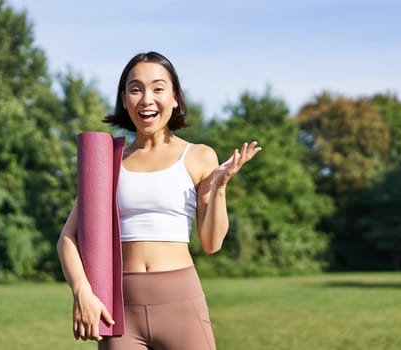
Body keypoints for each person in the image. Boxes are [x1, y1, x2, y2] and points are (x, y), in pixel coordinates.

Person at [57, 51, 261, 350]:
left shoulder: (198, 156)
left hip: (180, 304)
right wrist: (82, 291)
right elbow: (67, 238)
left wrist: (218, 187)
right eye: (135, 89)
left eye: (158, 88)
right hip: (120, 312)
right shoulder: (108, 162)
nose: (146, 98)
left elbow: (211, 243)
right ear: (125, 99)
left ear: (175, 97)